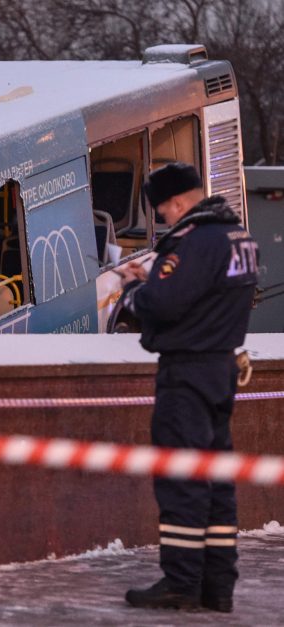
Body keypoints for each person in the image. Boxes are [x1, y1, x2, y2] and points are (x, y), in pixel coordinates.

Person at [119, 163, 258, 613]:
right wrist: (156, 276)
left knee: (182, 478)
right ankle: (218, 586)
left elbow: (163, 302)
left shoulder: (193, 241)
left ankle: (180, 582)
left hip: (186, 374)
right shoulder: (238, 237)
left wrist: (138, 294)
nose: (163, 218)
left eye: (162, 210)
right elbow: (205, 290)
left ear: (177, 202)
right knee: (218, 481)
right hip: (221, 369)